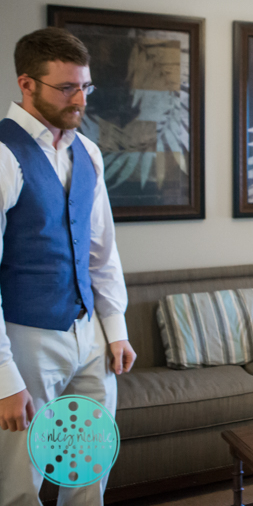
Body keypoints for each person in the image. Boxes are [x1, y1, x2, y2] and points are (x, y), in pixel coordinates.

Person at [0, 27, 135, 505]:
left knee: (91, 465)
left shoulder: (88, 152)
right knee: (21, 480)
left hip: (90, 336)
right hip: (25, 337)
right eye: (66, 88)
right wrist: (4, 377)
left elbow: (102, 251)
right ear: (27, 84)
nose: (80, 99)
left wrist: (114, 329)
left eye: (85, 87)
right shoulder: (3, 155)